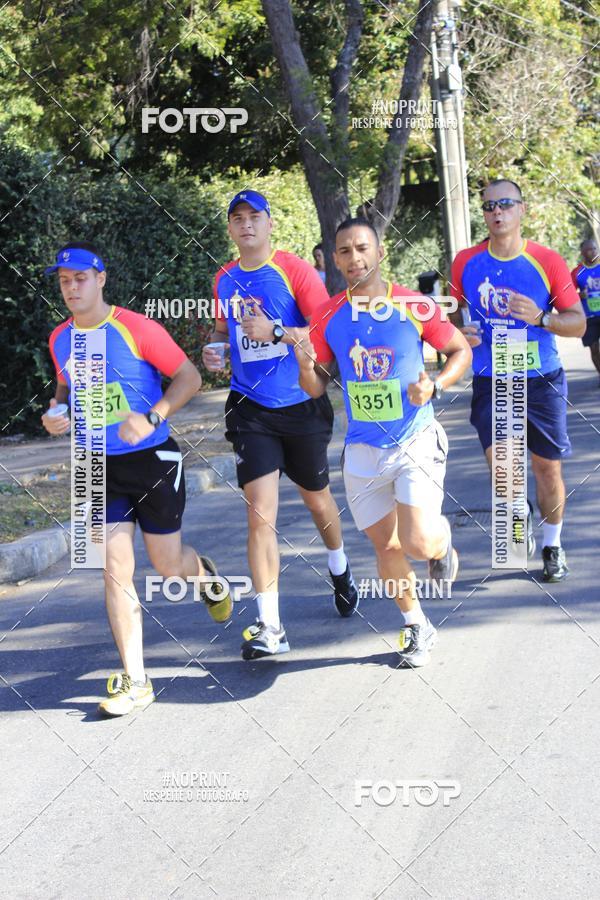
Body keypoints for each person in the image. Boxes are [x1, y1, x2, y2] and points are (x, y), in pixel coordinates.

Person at [43, 242, 231, 717]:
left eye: (80, 278)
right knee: (114, 568)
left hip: (152, 458)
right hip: (95, 465)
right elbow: (64, 386)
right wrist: (55, 412)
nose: (71, 288)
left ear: (101, 279)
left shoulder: (137, 328)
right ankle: (137, 680)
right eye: (64, 281)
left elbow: (188, 377)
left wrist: (152, 415)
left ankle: (206, 576)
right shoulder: (59, 338)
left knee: (168, 565)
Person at [295, 218, 471, 668]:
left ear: (379, 252)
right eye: (345, 251)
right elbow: (315, 387)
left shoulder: (414, 304)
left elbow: (460, 351)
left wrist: (434, 384)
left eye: (362, 248)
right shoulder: (329, 315)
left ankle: (442, 543)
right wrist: (304, 360)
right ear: (335, 259)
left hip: (415, 438)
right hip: (362, 449)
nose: (355, 259)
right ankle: (416, 625)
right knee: (386, 548)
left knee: (417, 542)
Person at [202, 191, 359, 660]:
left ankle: (340, 566)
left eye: (254, 217)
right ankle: (270, 625)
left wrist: (274, 332)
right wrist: (215, 349)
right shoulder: (224, 278)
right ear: (230, 228)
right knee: (260, 514)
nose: (246, 225)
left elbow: (326, 330)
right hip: (250, 410)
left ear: (269, 225)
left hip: (301, 404)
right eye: (237, 218)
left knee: (316, 499)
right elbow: (221, 331)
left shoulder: (293, 270)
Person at [451, 179, 586, 582]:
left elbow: (578, 323)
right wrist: (461, 333)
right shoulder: (465, 262)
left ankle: (552, 544)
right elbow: (454, 316)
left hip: (540, 378)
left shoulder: (547, 260)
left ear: (521, 209)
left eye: (505, 204)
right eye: (489, 206)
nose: (497, 212)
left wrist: (541, 318)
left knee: (547, 469)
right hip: (492, 377)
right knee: (503, 467)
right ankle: (520, 512)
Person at [571, 238, 600, 381]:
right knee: (594, 349)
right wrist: (578, 295)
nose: (593, 252)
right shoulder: (577, 272)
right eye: (589, 249)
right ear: (582, 252)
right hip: (589, 317)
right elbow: (567, 293)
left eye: (594, 248)